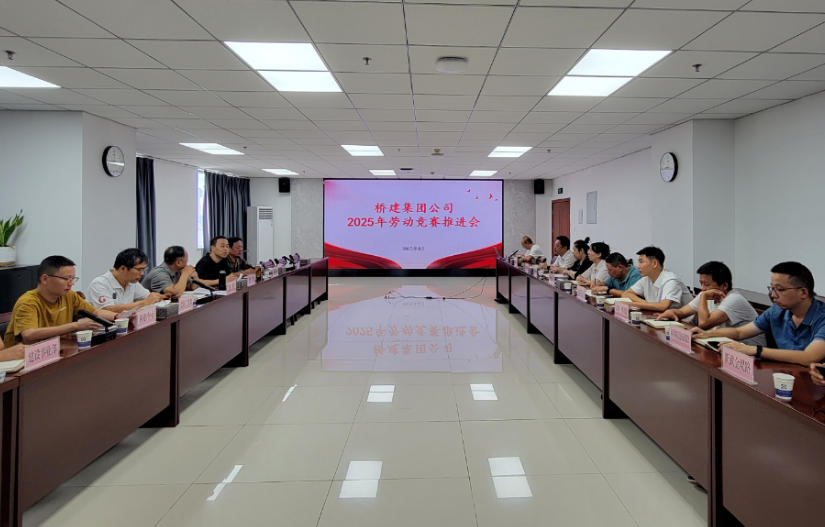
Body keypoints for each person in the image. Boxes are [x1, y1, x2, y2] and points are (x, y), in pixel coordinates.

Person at [693, 262, 825, 366]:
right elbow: (739, 332)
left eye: (780, 289)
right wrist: (706, 334)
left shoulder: (821, 317)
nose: (773, 295)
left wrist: (755, 350)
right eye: (772, 288)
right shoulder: (777, 311)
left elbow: (809, 357)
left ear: (803, 292)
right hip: (786, 373)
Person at [4, 255, 116, 347]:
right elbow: (28, 335)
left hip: (59, 349)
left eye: (73, 279)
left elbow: (95, 312)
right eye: (66, 279)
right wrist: (75, 326)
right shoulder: (28, 302)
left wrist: (117, 316)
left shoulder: (69, 295)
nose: (71, 283)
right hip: (24, 359)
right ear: (45, 279)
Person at [657, 261, 764, 344]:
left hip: (749, 352)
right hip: (724, 344)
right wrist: (672, 312)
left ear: (724, 285)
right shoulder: (707, 294)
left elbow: (704, 324)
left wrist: (703, 297)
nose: (702, 288)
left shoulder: (734, 299)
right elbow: (682, 312)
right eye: (701, 283)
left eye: (707, 284)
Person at [87, 248, 167, 313]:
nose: (142, 273)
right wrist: (143, 303)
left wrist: (160, 297)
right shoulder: (99, 284)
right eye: (139, 269)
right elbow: (107, 310)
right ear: (123, 268)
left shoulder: (132, 282)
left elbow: (148, 297)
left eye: (144, 269)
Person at [621, 246, 693, 312]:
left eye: (641, 262)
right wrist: (646, 304)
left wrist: (633, 304)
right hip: (661, 317)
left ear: (654, 263)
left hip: (684, 321)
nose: (638, 266)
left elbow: (663, 306)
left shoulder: (671, 280)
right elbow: (626, 294)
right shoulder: (646, 279)